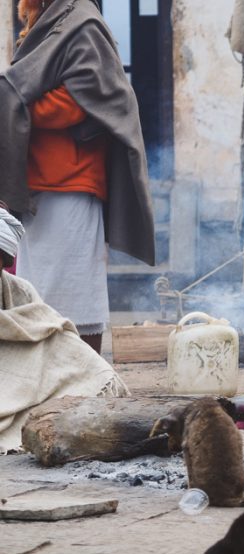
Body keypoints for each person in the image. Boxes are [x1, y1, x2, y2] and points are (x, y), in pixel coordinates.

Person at [0, 0, 155, 354]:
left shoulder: (82, 19)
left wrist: (17, 105)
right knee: (35, 291)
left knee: (73, 293)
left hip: (71, 180)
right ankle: (47, 376)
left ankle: (84, 380)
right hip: (35, 183)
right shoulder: (48, 21)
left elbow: (83, 95)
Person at [0, 202, 129, 453]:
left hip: (22, 385)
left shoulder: (18, 291)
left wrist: (96, 375)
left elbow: (54, 337)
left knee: (89, 372)